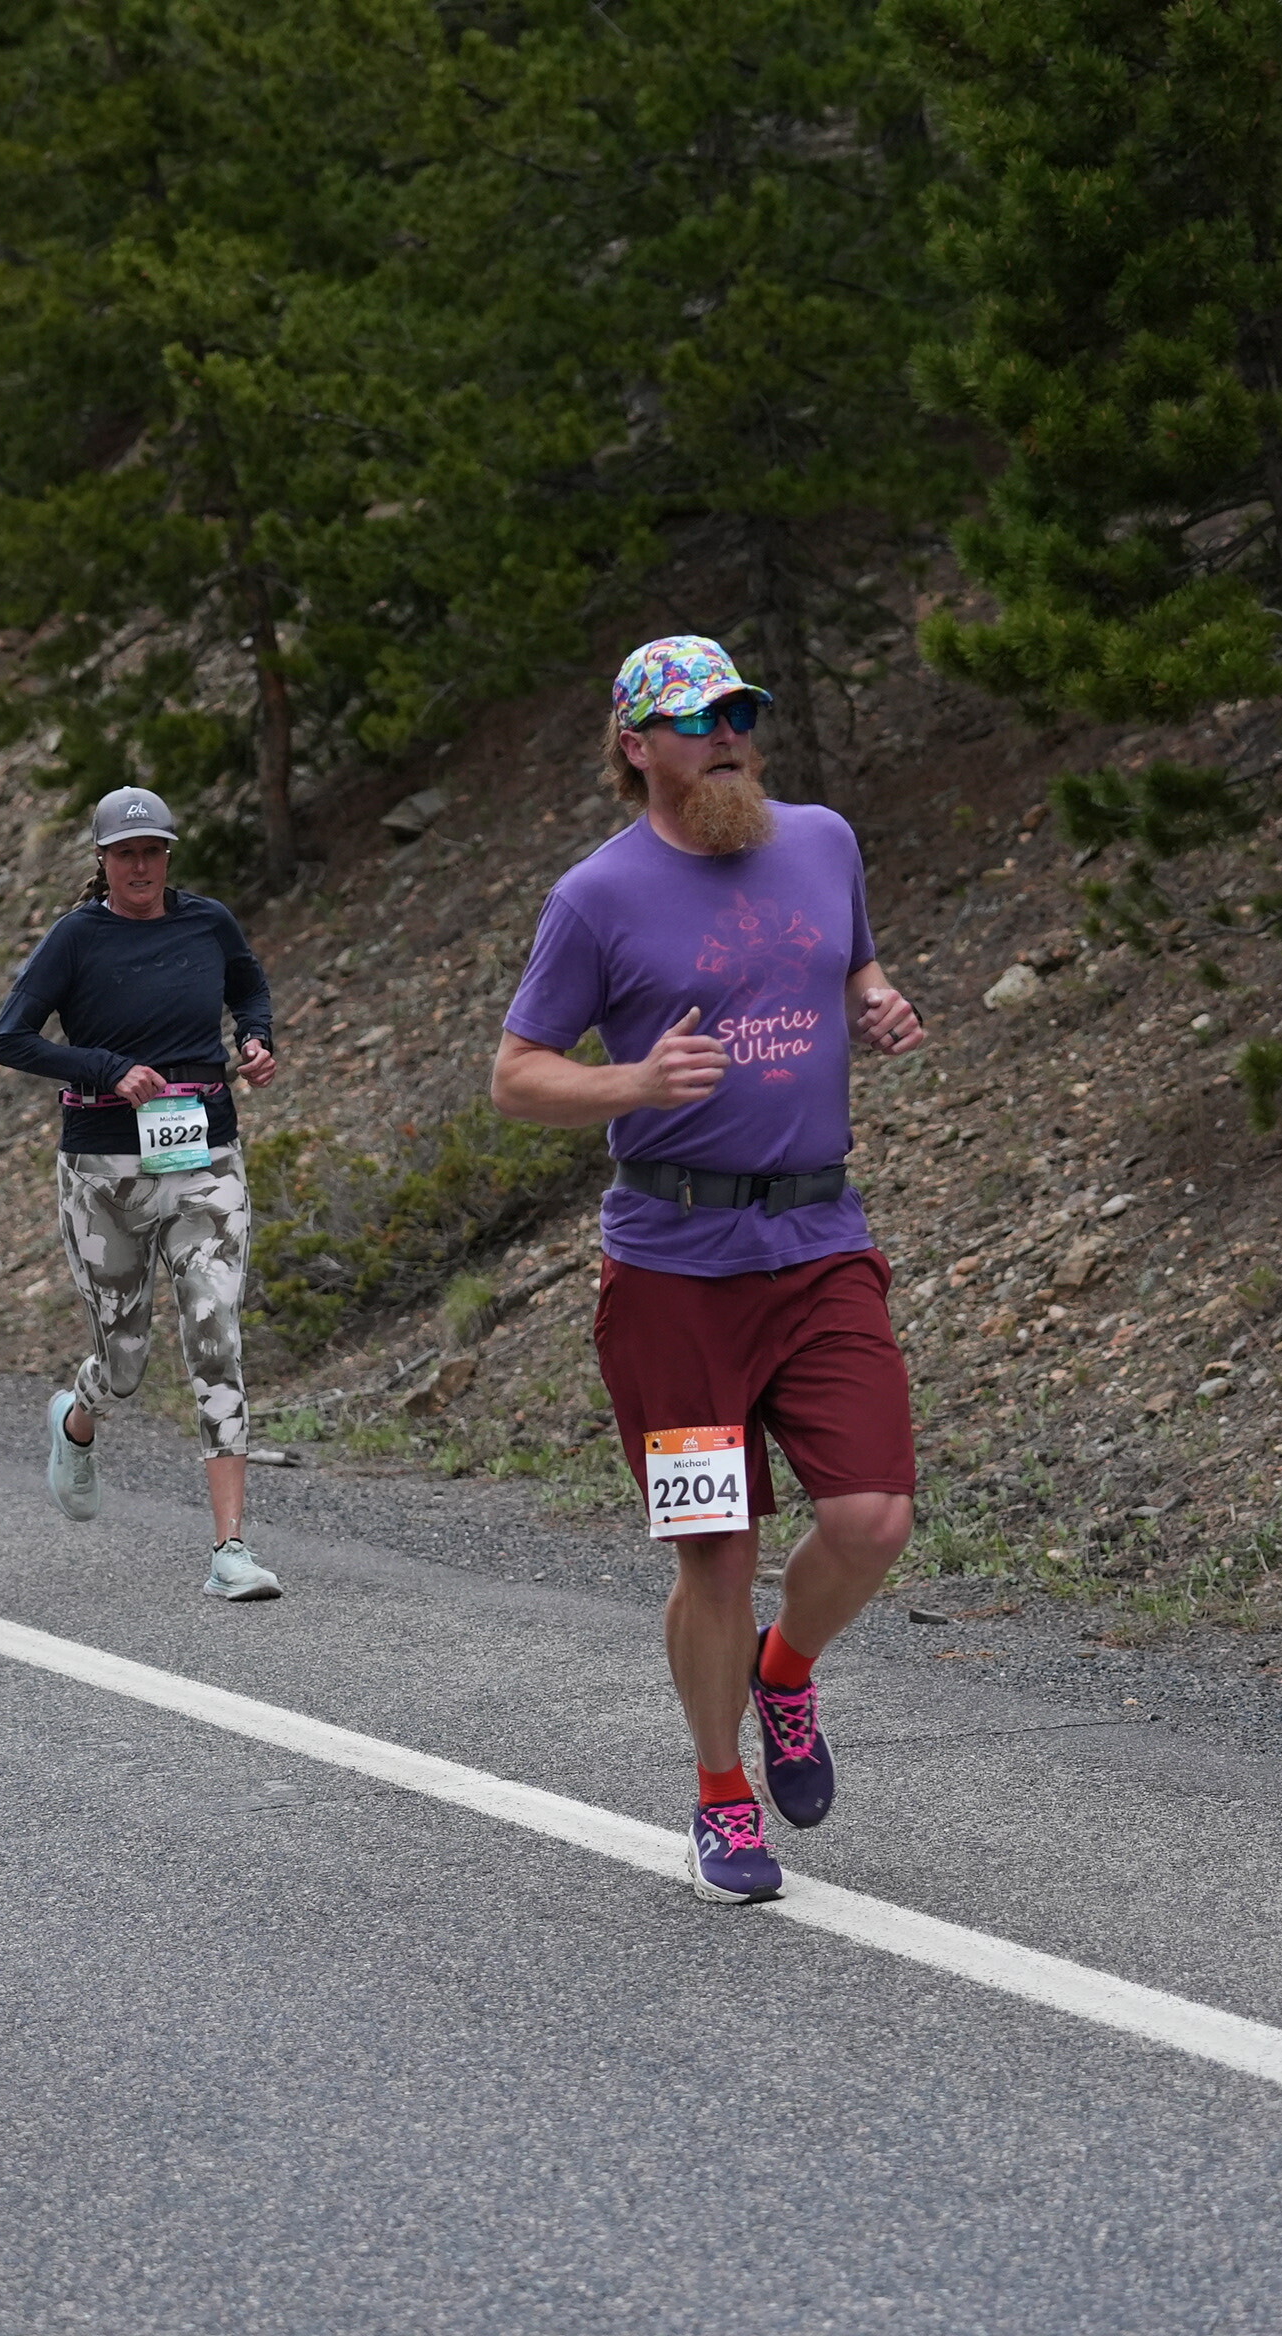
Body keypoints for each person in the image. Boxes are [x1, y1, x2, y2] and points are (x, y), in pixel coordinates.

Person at [488, 634, 928, 1905]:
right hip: (674, 1273)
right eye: (698, 719)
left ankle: (783, 1671)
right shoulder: (597, 896)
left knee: (873, 1515)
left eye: (739, 711)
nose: (728, 733)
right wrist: (633, 1081)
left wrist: (878, 1000)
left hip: (819, 1241)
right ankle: (721, 1790)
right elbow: (517, 1075)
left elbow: (853, 962)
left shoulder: (823, 841)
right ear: (638, 747)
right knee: (716, 1552)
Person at [0, 785, 285, 1602]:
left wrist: (256, 1039)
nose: (142, 867)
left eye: (153, 850)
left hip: (206, 1159)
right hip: (103, 1171)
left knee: (215, 1334)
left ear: (168, 854)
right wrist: (107, 1068)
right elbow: (10, 1038)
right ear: (103, 860)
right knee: (124, 1361)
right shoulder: (75, 938)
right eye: (126, 854)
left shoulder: (208, 922)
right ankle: (76, 1419)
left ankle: (231, 1549)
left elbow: (249, 985)